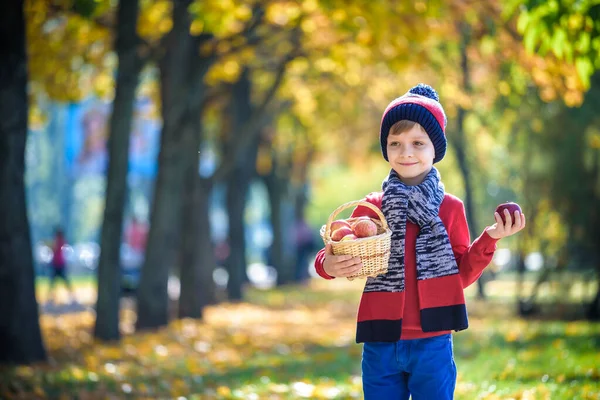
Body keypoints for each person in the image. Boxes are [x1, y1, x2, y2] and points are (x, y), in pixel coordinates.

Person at [313, 83, 526, 399]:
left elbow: (461, 275)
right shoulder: (372, 208)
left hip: (433, 340)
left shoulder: (449, 208)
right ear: (385, 147)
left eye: (418, 143)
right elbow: (334, 247)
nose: (406, 152)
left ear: (435, 149)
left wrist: (490, 238)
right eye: (395, 143)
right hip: (380, 338)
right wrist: (328, 264)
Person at [48, 227, 75, 303]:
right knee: (54, 282)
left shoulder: (60, 242)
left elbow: (55, 249)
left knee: (58, 281)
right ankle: (51, 296)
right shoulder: (59, 241)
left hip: (59, 264)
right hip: (57, 264)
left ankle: (71, 295)